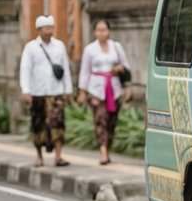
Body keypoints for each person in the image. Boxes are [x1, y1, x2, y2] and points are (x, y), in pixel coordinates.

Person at [19, 15, 72, 167]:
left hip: (56, 92)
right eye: (46, 28)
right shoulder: (31, 47)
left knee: (58, 123)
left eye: (51, 28)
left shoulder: (59, 46)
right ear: (39, 30)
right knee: (38, 124)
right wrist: (26, 90)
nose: (49, 31)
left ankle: (58, 155)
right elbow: (25, 69)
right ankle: (39, 156)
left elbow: (65, 68)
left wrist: (68, 90)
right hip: (37, 92)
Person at [77, 20, 132, 165]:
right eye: (99, 30)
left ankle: (107, 147)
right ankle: (103, 152)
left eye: (104, 30)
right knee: (100, 119)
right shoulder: (90, 49)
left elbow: (126, 66)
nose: (102, 33)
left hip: (114, 88)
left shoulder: (116, 47)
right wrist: (82, 91)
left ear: (109, 31)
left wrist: (120, 70)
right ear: (95, 32)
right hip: (96, 88)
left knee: (111, 122)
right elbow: (85, 71)